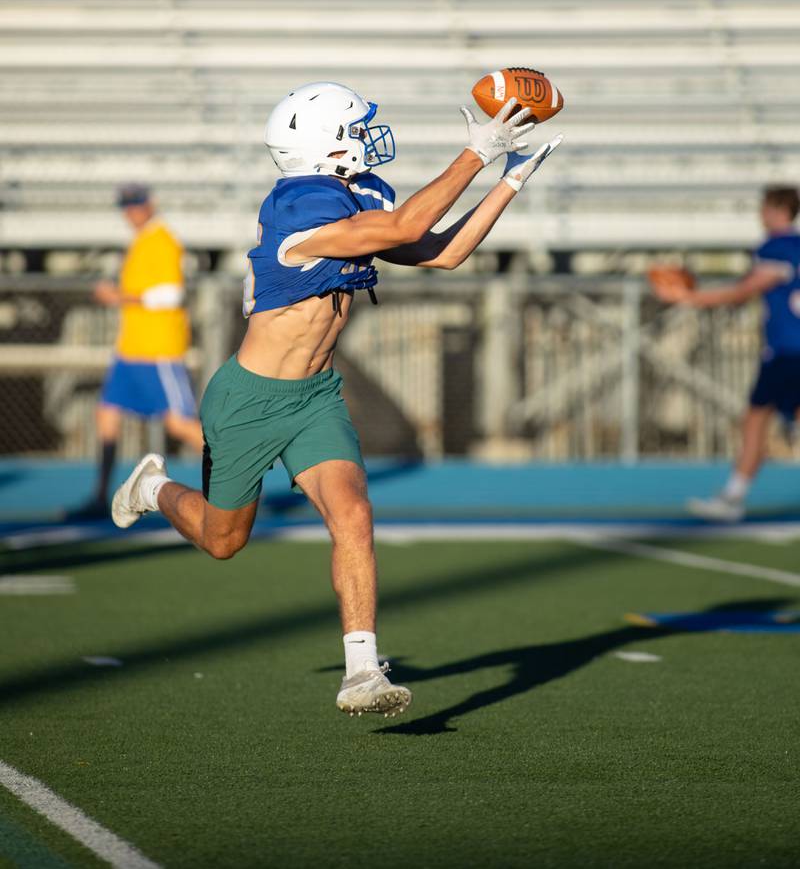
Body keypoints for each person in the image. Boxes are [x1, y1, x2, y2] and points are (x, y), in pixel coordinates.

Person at [112, 82, 563, 716]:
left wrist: (510, 181)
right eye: (356, 129)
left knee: (352, 513)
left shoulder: (343, 202)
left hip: (315, 396)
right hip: (248, 399)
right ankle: (154, 488)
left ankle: (361, 673)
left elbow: (444, 251)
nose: (368, 140)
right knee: (223, 541)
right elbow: (409, 223)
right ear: (325, 145)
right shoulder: (300, 210)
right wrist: (475, 155)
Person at [652, 185, 800, 521]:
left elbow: (743, 291)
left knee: (755, 420)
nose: (759, 214)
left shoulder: (777, 247)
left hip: (787, 351)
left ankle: (733, 497)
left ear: (777, 209)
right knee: (759, 419)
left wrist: (686, 299)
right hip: (790, 349)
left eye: (764, 207)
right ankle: (733, 495)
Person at [68, 184, 204, 520]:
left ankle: (239, 480)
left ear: (150, 205)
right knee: (107, 414)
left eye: (136, 205)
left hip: (158, 349)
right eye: (126, 207)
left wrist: (118, 298)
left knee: (180, 425)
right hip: (131, 350)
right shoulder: (142, 241)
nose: (130, 212)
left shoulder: (162, 241)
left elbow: (171, 295)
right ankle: (100, 496)